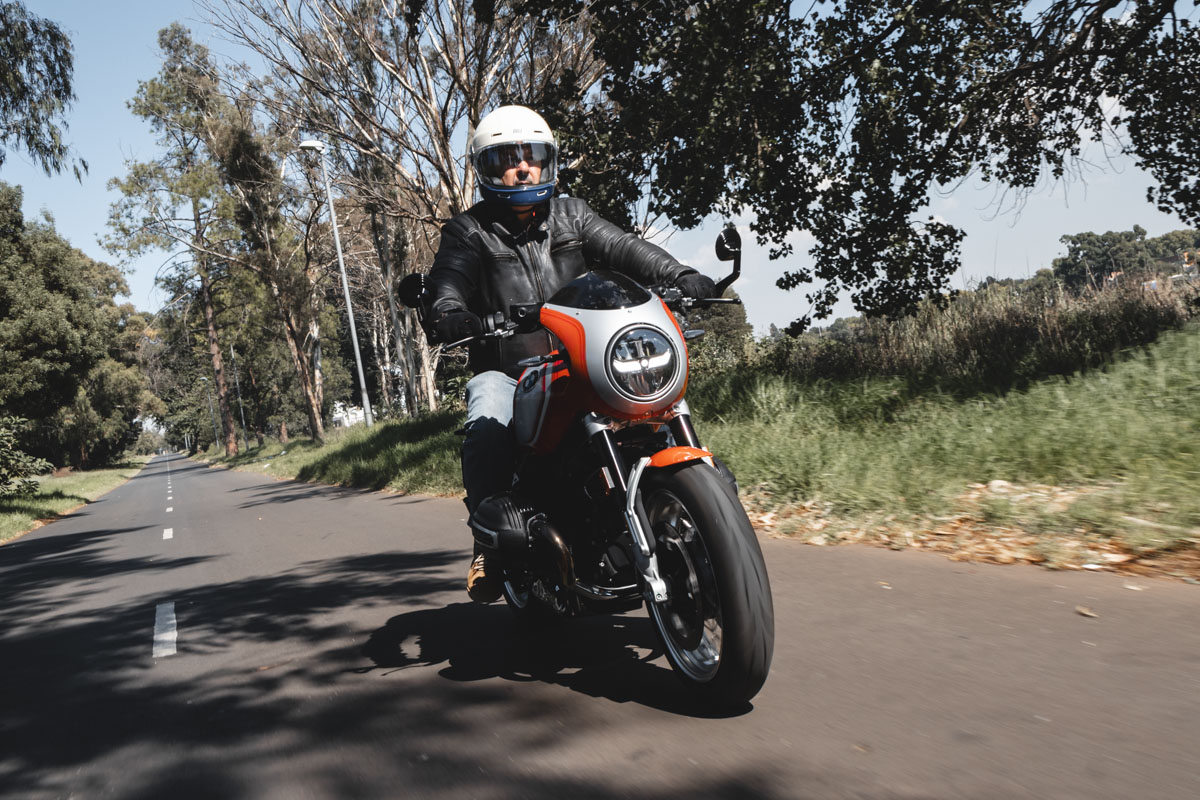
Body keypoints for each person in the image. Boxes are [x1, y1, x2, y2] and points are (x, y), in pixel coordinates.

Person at [425, 105, 716, 602]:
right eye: (508, 159)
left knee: (655, 397)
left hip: (584, 359)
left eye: (531, 157)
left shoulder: (574, 215)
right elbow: (448, 282)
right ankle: (487, 543)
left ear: (548, 162)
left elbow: (626, 247)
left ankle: (698, 509)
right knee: (486, 409)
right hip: (512, 371)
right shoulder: (468, 232)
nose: (522, 168)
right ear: (487, 169)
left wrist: (680, 275)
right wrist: (451, 313)